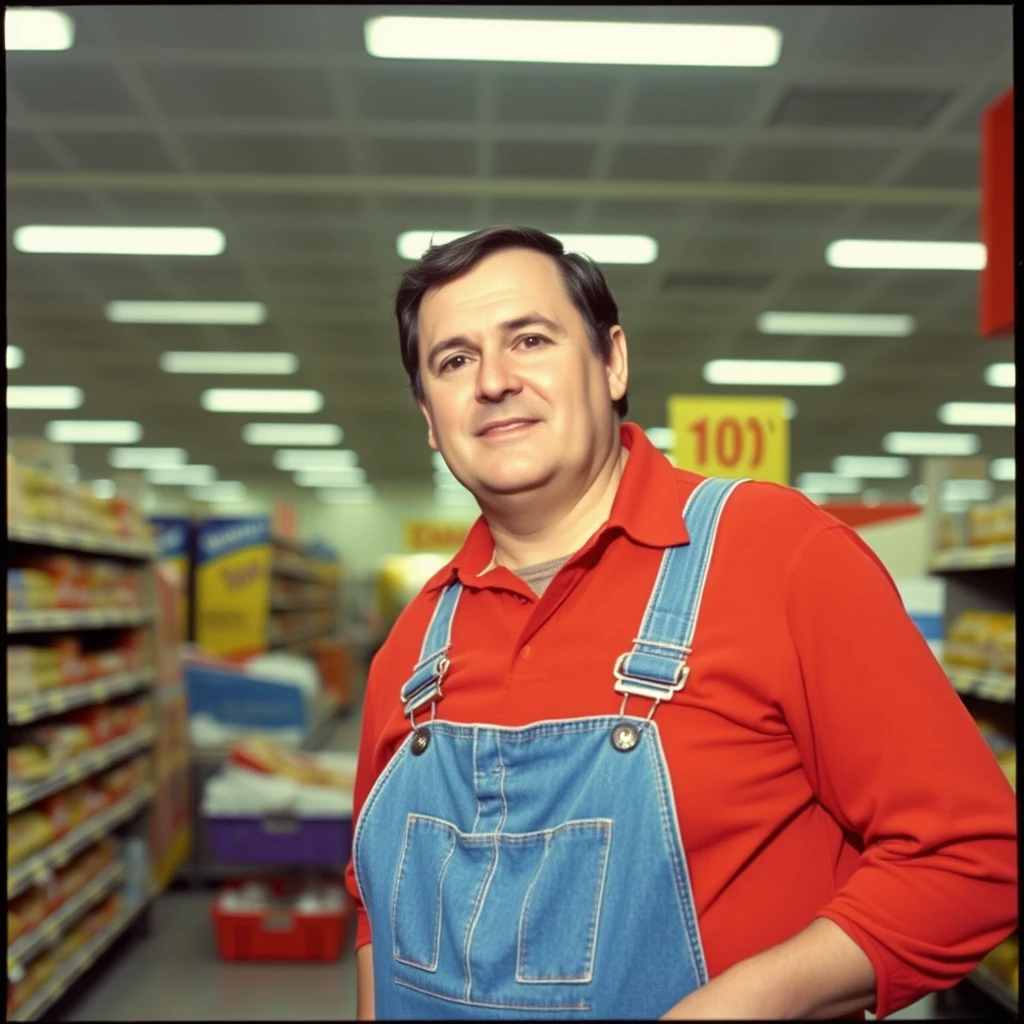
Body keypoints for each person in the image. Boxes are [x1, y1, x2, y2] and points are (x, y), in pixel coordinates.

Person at [344, 225, 1018, 1021]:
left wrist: (744, 1003)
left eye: (529, 338)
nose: (494, 380)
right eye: (453, 361)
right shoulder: (413, 645)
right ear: (429, 415)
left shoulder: (779, 554)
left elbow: (972, 857)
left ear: (611, 361)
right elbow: (375, 905)